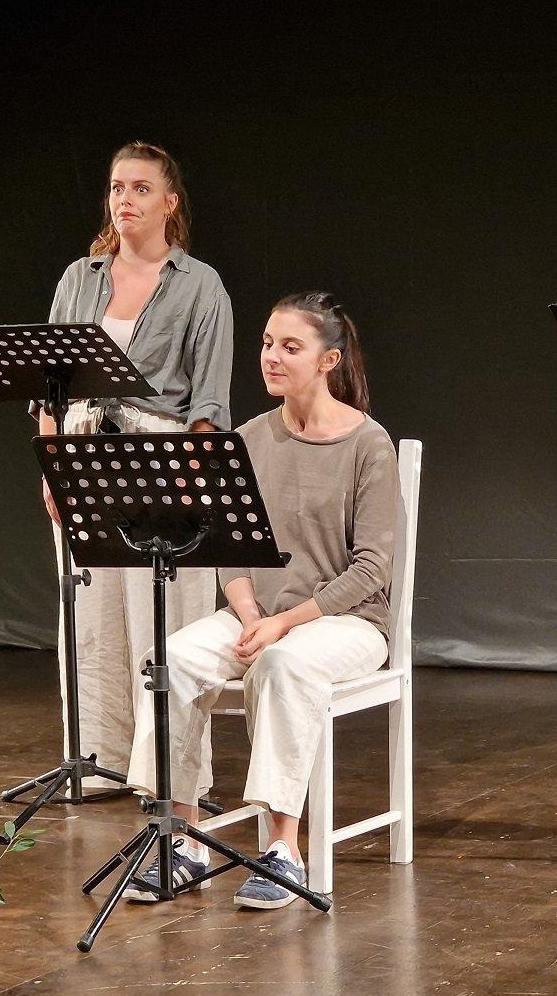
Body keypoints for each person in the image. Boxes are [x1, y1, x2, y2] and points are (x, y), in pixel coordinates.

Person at [123, 291, 398, 908]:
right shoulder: (248, 438)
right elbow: (232, 547)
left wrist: (283, 625)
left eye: (290, 347)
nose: (271, 356)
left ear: (329, 360)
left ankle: (282, 849)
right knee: (169, 660)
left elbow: (373, 568)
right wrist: (250, 614)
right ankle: (183, 839)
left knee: (283, 663)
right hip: (258, 614)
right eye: (268, 343)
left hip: (345, 621)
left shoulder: (368, 444)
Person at [39, 141, 233, 791]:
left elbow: (209, 401)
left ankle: (169, 775)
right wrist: (52, 466)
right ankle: (102, 763)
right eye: (118, 187)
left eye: (141, 188)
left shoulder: (199, 283)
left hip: (162, 459)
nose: (125, 199)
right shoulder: (80, 278)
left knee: (165, 619)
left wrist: (192, 476)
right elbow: (49, 387)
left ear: (170, 202)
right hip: (83, 455)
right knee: (93, 621)